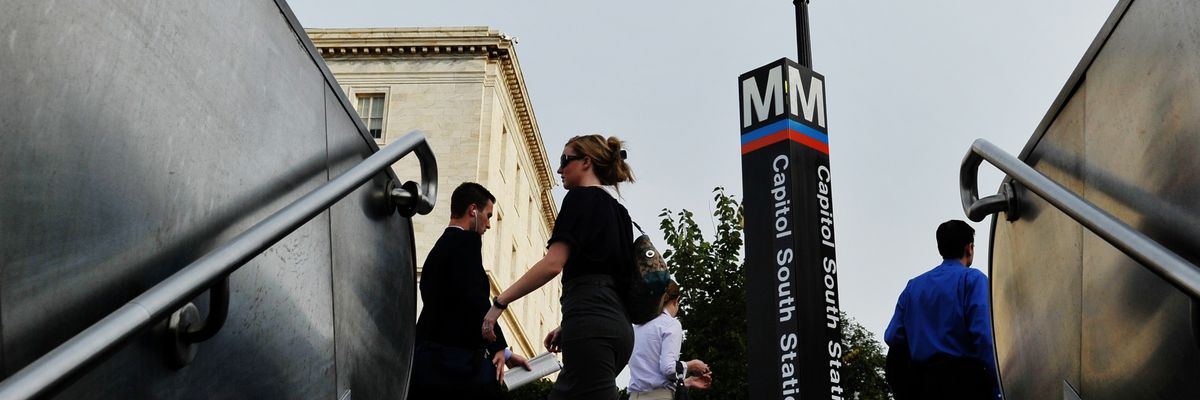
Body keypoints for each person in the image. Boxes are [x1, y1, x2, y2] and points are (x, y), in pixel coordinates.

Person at [481, 134, 636, 400]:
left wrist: (500, 303)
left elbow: (553, 264)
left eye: (565, 159)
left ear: (586, 162)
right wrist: (568, 326)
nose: (559, 169)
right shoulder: (621, 214)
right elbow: (610, 278)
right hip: (618, 329)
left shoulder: (579, 198)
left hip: (591, 326)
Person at [410, 182, 531, 400]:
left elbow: (456, 303)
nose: (489, 225)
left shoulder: (438, 248)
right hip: (454, 369)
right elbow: (474, 298)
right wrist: (499, 346)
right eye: (489, 215)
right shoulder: (467, 242)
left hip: (425, 364)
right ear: (473, 210)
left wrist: (507, 352)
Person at [884, 220, 1001, 400]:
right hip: (966, 383)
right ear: (969, 248)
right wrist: (998, 385)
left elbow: (892, 336)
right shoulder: (973, 279)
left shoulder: (913, 287)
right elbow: (984, 338)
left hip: (923, 386)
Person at [628, 281, 712, 400]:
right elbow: (668, 369)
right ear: (676, 300)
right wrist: (693, 364)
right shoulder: (670, 324)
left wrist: (686, 382)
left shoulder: (636, 326)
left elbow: (649, 373)